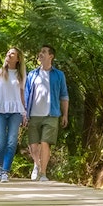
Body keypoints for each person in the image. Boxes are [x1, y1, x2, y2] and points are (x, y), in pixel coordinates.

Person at [23, 45, 68, 181]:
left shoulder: (59, 75)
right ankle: (36, 164)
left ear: (51, 56)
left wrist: (65, 114)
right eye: (40, 51)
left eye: (44, 52)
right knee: (33, 144)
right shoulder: (32, 74)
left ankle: (43, 173)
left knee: (45, 142)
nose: (40, 54)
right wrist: (24, 113)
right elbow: (26, 94)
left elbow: (64, 95)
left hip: (52, 114)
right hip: (34, 114)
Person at [0, 47, 27, 183]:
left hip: (16, 111)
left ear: (18, 58)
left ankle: (5, 171)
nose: (8, 54)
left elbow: (21, 95)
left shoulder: (21, 76)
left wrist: (25, 113)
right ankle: (0, 165)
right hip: (0, 110)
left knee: (12, 141)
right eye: (8, 52)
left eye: (12, 53)